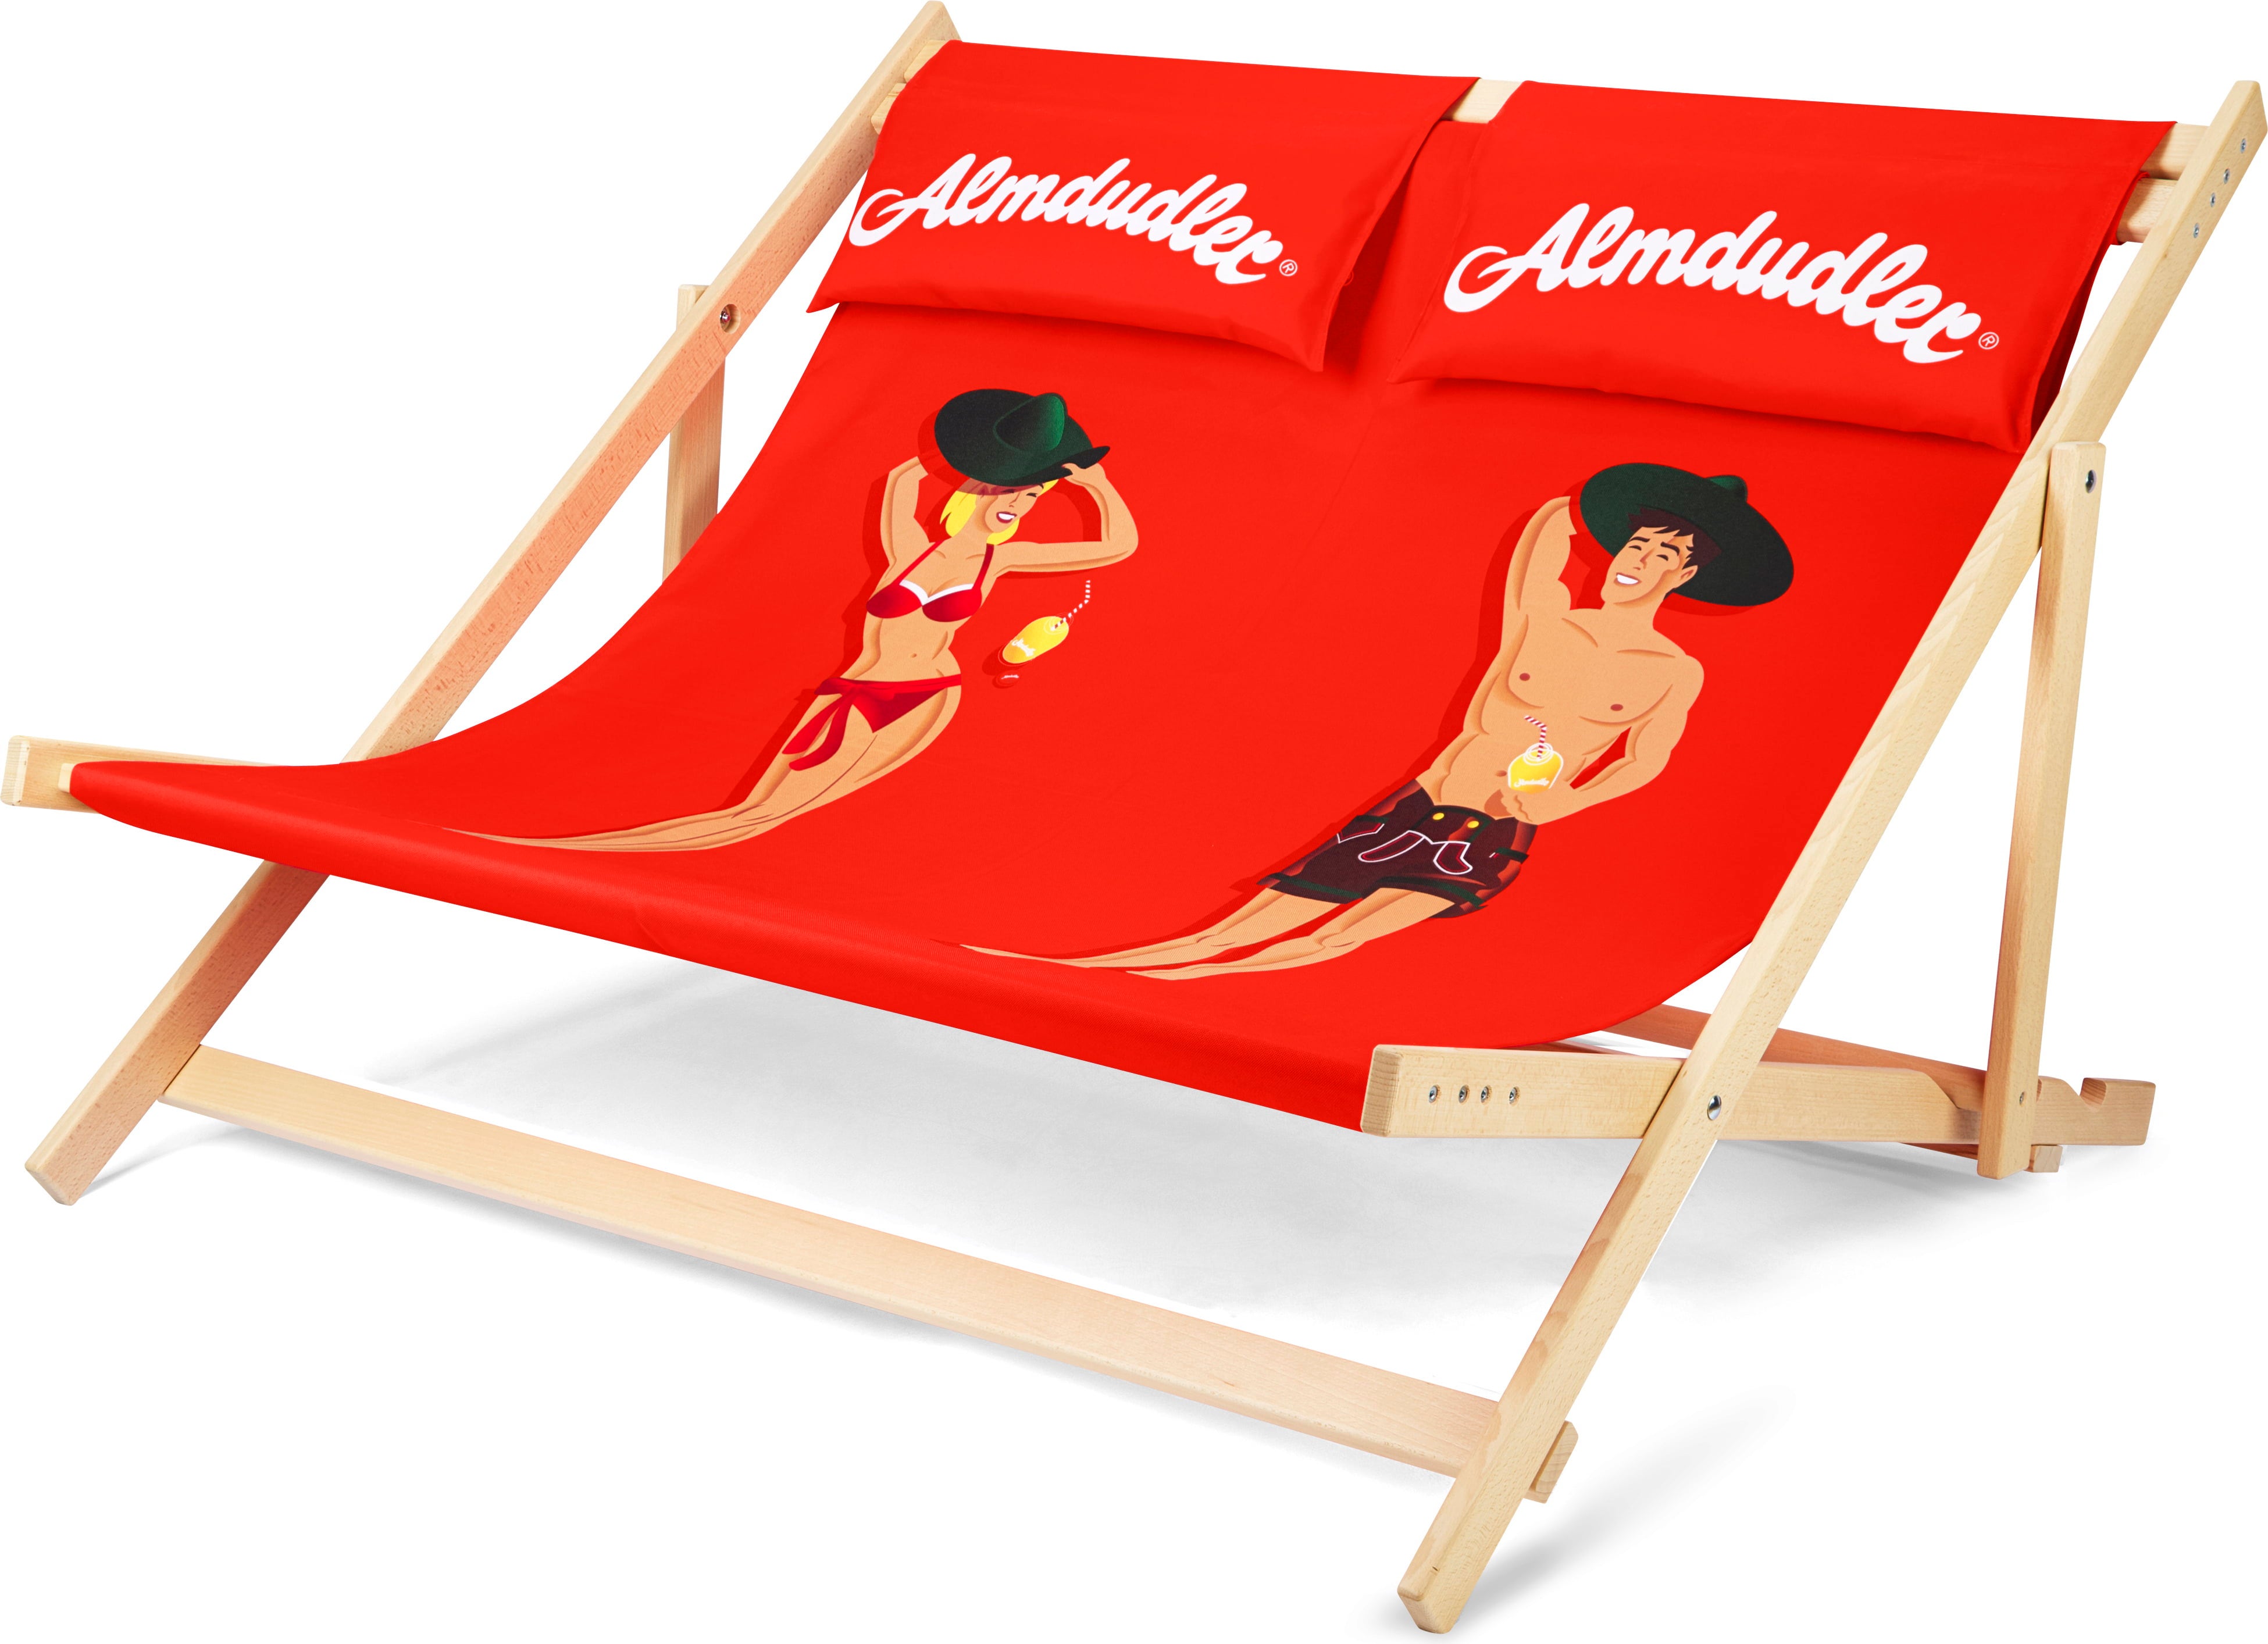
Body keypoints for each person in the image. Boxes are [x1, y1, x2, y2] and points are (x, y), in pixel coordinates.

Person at [980, 462, 1791, 977]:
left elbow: (1645, 761)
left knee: (1330, 941)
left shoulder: (1673, 670)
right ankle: (1085, 975)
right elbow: (1543, 542)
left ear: (1685, 576)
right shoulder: (1546, 619)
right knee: (1242, 924)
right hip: (1421, 801)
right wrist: (1611, 501)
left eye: (1660, 554)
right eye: (1634, 544)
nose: (1636, 561)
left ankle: (1151, 993)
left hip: (1495, 828)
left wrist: (1562, 801)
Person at [487, 388, 1137, 851]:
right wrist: (974, 453)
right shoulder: (910, 550)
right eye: (1010, 488)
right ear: (978, 487)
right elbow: (899, 483)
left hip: (930, 694)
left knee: (784, 816)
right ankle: (593, 849)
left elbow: (1119, 545)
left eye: (1032, 494)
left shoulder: (1002, 559)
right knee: (758, 808)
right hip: (856, 690)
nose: (1019, 503)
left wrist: (1095, 484)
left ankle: (584, 853)